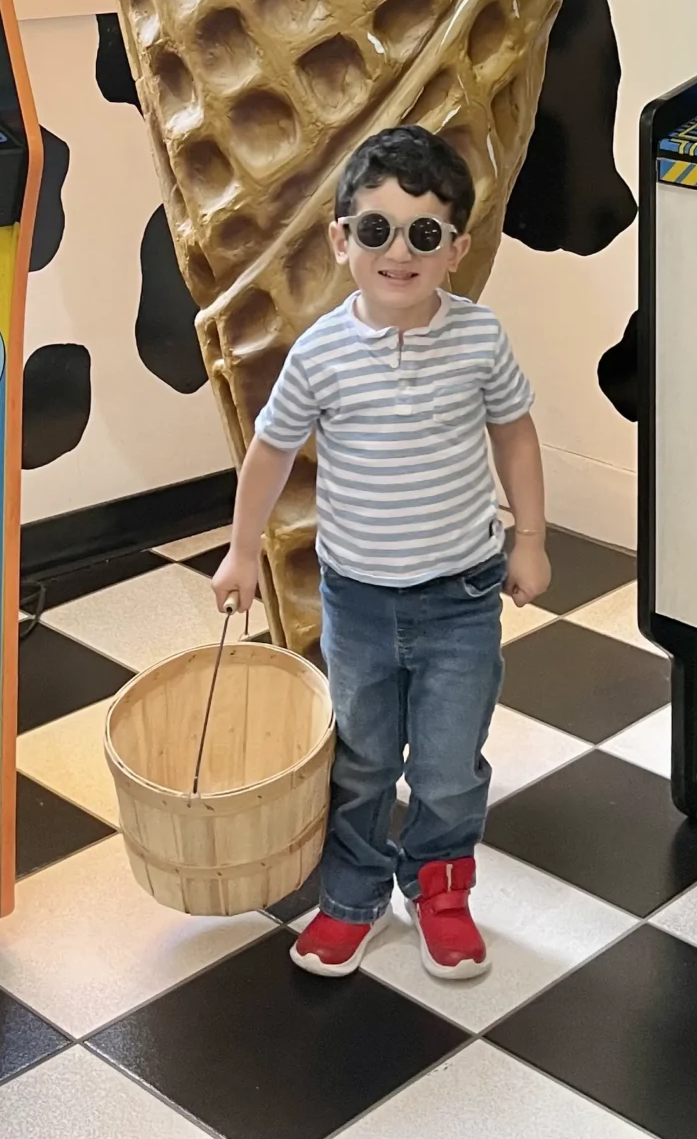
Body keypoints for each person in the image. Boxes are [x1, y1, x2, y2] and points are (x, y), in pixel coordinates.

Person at [212, 124, 550, 982]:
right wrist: (241, 551)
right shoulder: (322, 352)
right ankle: (352, 896)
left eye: (424, 234)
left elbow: (515, 434)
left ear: (456, 249)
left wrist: (532, 539)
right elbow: (270, 452)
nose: (398, 252)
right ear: (341, 239)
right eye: (376, 231)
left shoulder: (480, 339)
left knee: (446, 760)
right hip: (358, 601)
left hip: (462, 595)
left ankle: (439, 889)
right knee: (361, 757)